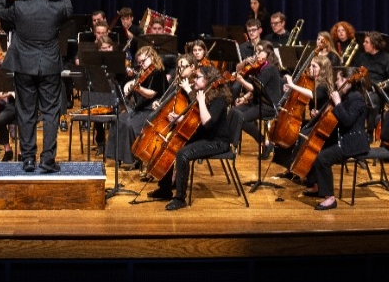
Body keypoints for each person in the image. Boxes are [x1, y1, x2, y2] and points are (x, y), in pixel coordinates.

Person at [0, 0, 73, 173]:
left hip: (24, 67)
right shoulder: (56, 8)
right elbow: (69, 9)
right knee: (51, 113)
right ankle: (47, 160)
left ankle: (28, 159)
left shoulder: (20, 7)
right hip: (49, 68)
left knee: (26, 112)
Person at [146, 65, 237, 211]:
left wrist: (200, 101)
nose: (194, 80)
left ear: (208, 79)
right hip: (205, 136)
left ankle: (180, 198)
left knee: (183, 154)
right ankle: (165, 189)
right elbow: (197, 121)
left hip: (217, 142)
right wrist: (180, 119)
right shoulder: (205, 93)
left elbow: (208, 123)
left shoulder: (218, 99)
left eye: (198, 77)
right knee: (170, 143)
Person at [299, 66, 372, 210]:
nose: (337, 82)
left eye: (339, 79)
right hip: (342, 137)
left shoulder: (356, 98)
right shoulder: (346, 96)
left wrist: (338, 103)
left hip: (353, 142)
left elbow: (347, 121)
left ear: (348, 82)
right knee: (315, 148)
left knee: (322, 159)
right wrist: (319, 114)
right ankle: (315, 185)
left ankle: (329, 198)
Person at [106, 46, 169, 169]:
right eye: (139, 62)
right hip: (140, 108)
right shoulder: (143, 72)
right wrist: (130, 86)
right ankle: (119, 156)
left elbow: (152, 93)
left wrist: (138, 88)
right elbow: (135, 87)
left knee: (131, 124)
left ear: (152, 57)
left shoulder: (158, 72)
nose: (141, 65)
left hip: (153, 109)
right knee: (119, 120)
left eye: (143, 61)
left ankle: (135, 159)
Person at [234, 41, 283, 158]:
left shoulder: (269, 68)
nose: (256, 55)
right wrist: (244, 98)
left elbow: (255, 88)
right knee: (235, 113)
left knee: (241, 119)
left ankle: (264, 143)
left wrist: (241, 81)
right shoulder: (259, 67)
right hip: (257, 102)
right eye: (256, 51)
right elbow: (255, 90)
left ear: (267, 53)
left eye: (259, 52)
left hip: (269, 106)